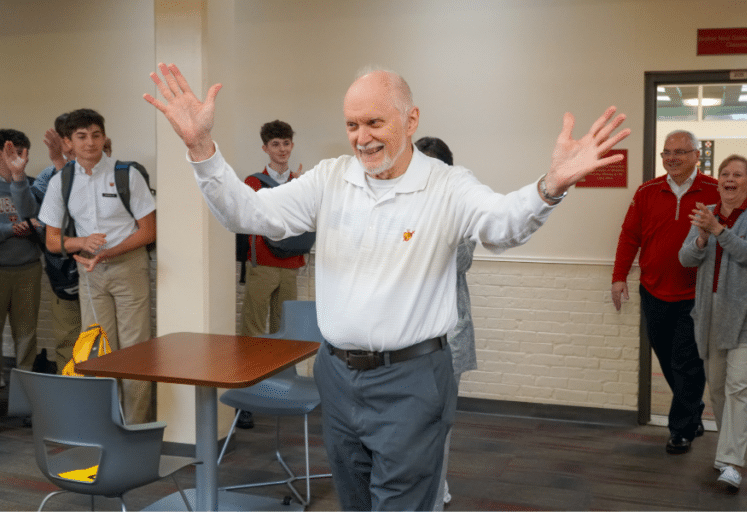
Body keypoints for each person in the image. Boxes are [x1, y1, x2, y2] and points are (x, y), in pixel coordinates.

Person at [144, 62, 630, 510]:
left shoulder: (447, 185)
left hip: (412, 379)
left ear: (410, 119)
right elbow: (249, 214)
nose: (362, 137)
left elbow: (501, 225)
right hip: (335, 374)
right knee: (354, 500)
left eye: (375, 123)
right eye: (352, 125)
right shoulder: (330, 177)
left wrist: (551, 185)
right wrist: (201, 150)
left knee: (401, 502)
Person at [38, 109, 157, 424]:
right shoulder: (61, 181)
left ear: (104, 138)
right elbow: (52, 241)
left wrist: (107, 252)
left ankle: (136, 426)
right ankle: (107, 425)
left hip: (129, 267)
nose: (90, 142)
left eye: (95, 134)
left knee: (135, 351)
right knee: (98, 350)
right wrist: (81, 243)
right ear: (69, 143)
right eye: (81, 136)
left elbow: (148, 231)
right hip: (89, 271)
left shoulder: (126, 174)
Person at [612, 130, 719, 455]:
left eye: (680, 152)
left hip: (696, 294)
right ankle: (692, 412)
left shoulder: (714, 191)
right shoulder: (647, 191)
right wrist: (619, 277)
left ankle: (681, 430)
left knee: (687, 361)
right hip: (653, 290)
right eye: (666, 152)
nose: (672, 158)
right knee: (667, 356)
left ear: (696, 156)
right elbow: (630, 235)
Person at [679, 155, 747, 491]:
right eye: (724, 174)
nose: (729, 179)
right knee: (717, 388)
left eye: (737, 175)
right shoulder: (707, 213)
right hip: (711, 314)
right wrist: (702, 237)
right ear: (718, 180)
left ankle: (732, 463)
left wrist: (719, 231)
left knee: (740, 388)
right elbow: (686, 257)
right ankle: (726, 451)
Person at [415, 136, 474, 509]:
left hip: (446, 337)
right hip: (402, 340)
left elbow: (459, 262)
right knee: (407, 426)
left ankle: (434, 495)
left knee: (439, 423)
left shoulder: (458, 206)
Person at [237, 119, 306, 429]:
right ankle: (247, 397)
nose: (282, 149)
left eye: (286, 143)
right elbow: (251, 218)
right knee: (253, 330)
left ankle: (279, 392)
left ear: (292, 145)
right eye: (275, 144)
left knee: (285, 332)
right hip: (263, 263)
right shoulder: (253, 182)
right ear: (265, 148)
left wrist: (299, 189)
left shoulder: (301, 180)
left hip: (290, 264)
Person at [32, 113, 82, 372]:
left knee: (100, 337)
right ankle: (70, 389)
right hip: (62, 271)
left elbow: (80, 203)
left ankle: (102, 393)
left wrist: (60, 162)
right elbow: (36, 217)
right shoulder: (47, 177)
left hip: (97, 266)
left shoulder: (101, 173)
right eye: (72, 138)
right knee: (67, 337)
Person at [0, 129, 42, 390]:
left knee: (26, 334)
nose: (15, 158)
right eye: (10, 153)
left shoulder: (32, 184)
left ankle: (24, 391)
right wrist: (9, 230)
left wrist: (19, 179)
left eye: (21, 153)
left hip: (28, 268)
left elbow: (37, 219)